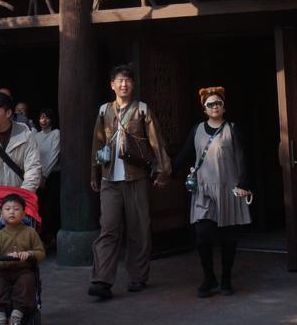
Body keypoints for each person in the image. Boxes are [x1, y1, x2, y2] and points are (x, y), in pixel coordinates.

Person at [89, 64, 170, 300]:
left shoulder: (142, 110)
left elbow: (156, 142)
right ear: (112, 85)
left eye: (127, 80)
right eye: (119, 80)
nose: (123, 84)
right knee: (108, 229)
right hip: (109, 178)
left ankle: (138, 276)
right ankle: (102, 280)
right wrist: (94, 172)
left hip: (136, 178)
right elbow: (96, 143)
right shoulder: (104, 111)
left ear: (133, 84)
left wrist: (163, 171)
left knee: (139, 229)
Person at [174, 88, 252, 298]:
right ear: (204, 109)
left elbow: (242, 157)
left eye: (218, 103)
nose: (214, 106)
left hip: (229, 189)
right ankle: (209, 277)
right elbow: (184, 154)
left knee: (228, 237)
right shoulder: (197, 130)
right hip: (203, 190)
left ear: (224, 107)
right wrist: (167, 172)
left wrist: (244, 184)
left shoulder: (232, 129)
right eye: (210, 104)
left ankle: (226, 278)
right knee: (202, 234)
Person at [0, 192, 46, 325]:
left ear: (24, 214)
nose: (12, 212)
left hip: (23, 270)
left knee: (27, 281)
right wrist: (5, 260)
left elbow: (41, 253)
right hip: (3, 272)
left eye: (16, 209)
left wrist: (30, 254)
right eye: (7, 209)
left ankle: (17, 314)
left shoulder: (30, 232)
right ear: (1, 214)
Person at [34, 108, 61, 248]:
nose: (43, 121)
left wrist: (44, 175)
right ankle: (42, 236)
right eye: (41, 117)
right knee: (40, 207)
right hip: (38, 176)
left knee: (51, 206)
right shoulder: (36, 136)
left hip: (52, 176)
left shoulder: (56, 133)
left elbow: (53, 156)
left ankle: (51, 236)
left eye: (46, 118)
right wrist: (38, 175)